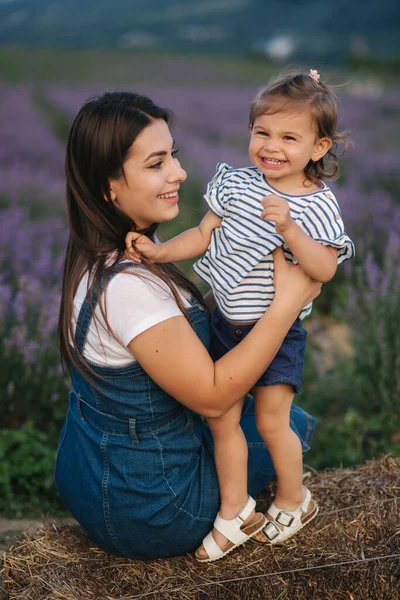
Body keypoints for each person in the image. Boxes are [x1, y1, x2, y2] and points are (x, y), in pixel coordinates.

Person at [55, 90, 321, 562]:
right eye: (156, 163)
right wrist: (286, 304)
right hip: (157, 509)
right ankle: (263, 508)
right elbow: (214, 397)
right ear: (109, 187)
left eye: (173, 154)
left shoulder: (101, 253)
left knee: (258, 420)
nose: (178, 172)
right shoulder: (131, 289)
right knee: (291, 423)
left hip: (91, 473)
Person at [125, 70, 355, 561]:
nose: (271, 146)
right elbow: (202, 235)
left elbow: (324, 269)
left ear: (319, 147)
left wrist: (291, 230)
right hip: (225, 322)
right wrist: (158, 253)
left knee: (273, 421)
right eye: (262, 132)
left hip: (277, 332)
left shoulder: (316, 205)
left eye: (289, 138)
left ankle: (296, 500)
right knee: (221, 418)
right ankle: (236, 509)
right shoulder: (235, 182)